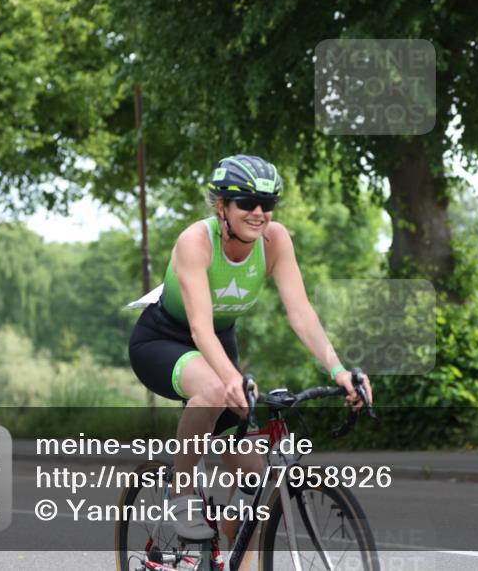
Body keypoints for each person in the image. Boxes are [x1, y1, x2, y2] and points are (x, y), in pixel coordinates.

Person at [128, 154, 373, 544]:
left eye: (268, 204)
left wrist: (339, 371)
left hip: (220, 346)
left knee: (253, 480)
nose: (259, 213)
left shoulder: (275, 241)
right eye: (247, 203)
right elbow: (199, 327)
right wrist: (231, 380)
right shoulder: (195, 242)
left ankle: (230, 541)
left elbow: (301, 313)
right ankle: (182, 493)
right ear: (222, 206)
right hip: (164, 340)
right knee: (210, 391)